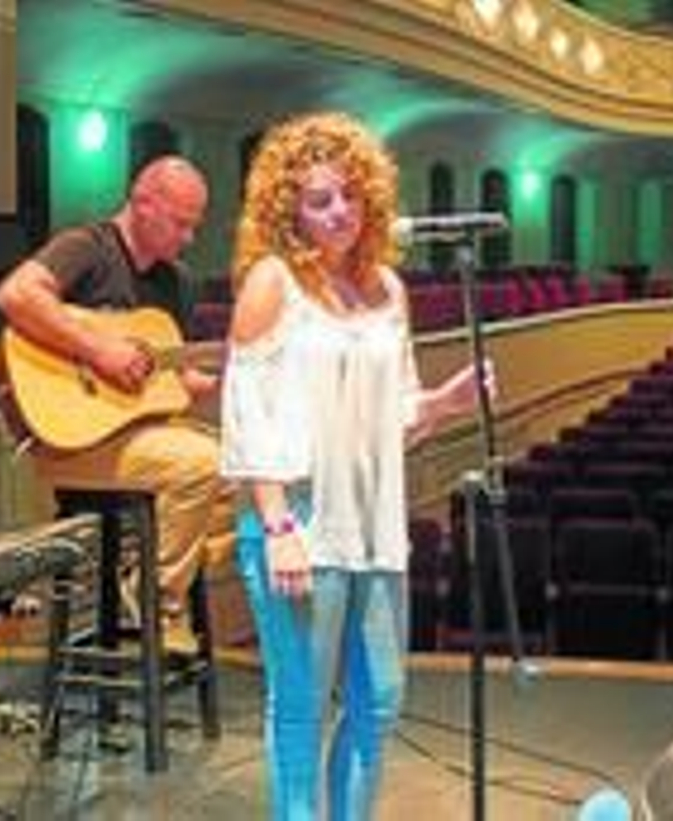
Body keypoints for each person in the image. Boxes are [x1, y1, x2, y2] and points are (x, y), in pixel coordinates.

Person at [221, 112, 489, 820]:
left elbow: (396, 411)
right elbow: (246, 415)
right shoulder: (273, 282)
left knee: (382, 700)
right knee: (301, 709)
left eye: (349, 194)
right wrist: (277, 525)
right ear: (290, 211)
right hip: (300, 518)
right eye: (319, 200)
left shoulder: (388, 289)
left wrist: (445, 402)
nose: (340, 210)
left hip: (374, 521)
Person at [0, 156, 234, 653]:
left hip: (134, 435)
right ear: (143, 203)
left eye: (194, 225)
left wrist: (212, 376)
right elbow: (16, 295)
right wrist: (98, 349)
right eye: (179, 223)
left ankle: (148, 570)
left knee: (244, 465)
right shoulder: (86, 247)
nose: (188, 237)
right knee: (203, 464)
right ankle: (159, 598)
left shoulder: (176, 282)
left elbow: (169, 377)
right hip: (65, 440)